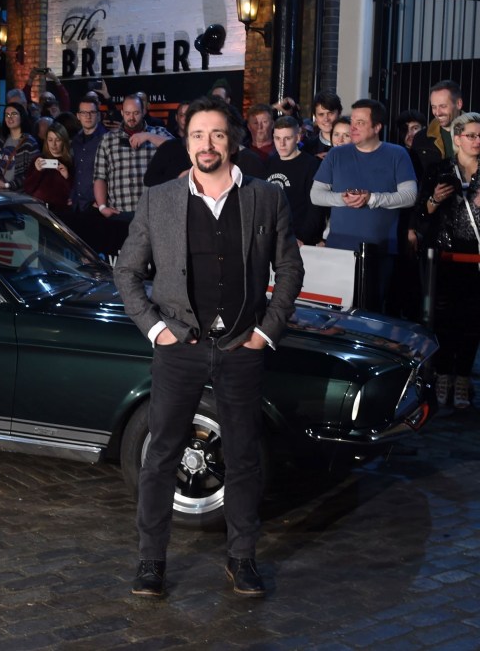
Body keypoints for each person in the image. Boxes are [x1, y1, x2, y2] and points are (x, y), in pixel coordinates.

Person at [114, 94, 304, 599]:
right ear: (186, 141)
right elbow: (127, 272)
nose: (207, 144)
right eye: (198, 135)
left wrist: (268, 331)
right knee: (161, 457)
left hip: (242, 345)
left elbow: (289, 269)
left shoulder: (266, 197)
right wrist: (156, 329)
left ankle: (242, 558)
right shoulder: (160, 199)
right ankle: (151, 562)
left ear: (233, 140)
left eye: (217, 134)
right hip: (178, 346)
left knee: (244, 457)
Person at [311, 99, 418, 310]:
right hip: (339, 249)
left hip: (380, 250)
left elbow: (410, 195)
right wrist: (342, 198)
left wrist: (373, 199)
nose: (353, 127)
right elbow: (316, 195)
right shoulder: (336, 154)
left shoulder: (397, 154)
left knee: (373, 312)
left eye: (360, 122)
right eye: (353, 121)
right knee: (336, 314)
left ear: (377, 127)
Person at [412, 112, 480, 409]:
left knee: (473, 321)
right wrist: (436, 199)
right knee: (444, 319)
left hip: (476, 260)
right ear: (457, 138)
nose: (477, 141)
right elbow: (420, 213)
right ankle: (441, 375)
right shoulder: (440, 170)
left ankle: (463, 378)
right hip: (444, 256)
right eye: (471, 135)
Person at [93, 93, 173, 220]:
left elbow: (177, 149)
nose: (131, 118)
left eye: (136, 113)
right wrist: (102, 207)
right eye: (128, 113)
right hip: (120, 212)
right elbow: (99, 176)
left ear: (144, 112)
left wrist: (148, 136)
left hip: (153, 212)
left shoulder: (157, 132)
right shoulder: (108, 140)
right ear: (122, 113)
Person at [266, 116, 326, 245]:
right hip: (272, 238)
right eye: (277, 138)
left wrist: (302, 237)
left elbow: (316, 208)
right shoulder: (269, 162)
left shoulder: (311, 165)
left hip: (298, 241)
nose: (281, 144)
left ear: (298, 137)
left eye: (287, 138)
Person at [413, 79, 464, 176]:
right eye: (434, 107)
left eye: (443, 106)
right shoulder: (421, 139)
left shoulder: (476, 133)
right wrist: (431, 191)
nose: (437, 112)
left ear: (458, 104)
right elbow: (417, 179)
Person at [22, 121, 72, 214]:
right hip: (39, 211)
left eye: (57, 140)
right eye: (50, 140)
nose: (53, 144)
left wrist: (67, 177)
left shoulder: (70, 163)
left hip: (61, 213)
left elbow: (71, 194)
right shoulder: (38, 160)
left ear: (63, 141)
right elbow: (27, 189)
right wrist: (37, 172)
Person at [68, 96, 108, 212]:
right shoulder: (75, 141)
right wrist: (72, 195)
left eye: (92, 112)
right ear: (78, 116)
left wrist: (102, 201)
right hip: (78, 204)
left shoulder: (107, 139)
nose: (88, 116)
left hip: (98, 205)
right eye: (84, 112)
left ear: (99, 116)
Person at [0, 102, 39, 191]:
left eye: (14, 114)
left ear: (22, 117)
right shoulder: (0, 141)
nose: (10, 117)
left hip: (20, 194)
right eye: (7, 115)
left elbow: (31, 173)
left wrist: (7, 185)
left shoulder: (29, 143)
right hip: (1, 193)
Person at [301, 91, 343, 158]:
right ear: (315, 117)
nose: (326, 119)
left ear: (339, 114)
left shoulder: (352, 146)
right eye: (321, 114)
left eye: (330, 113)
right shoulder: (306, 148)